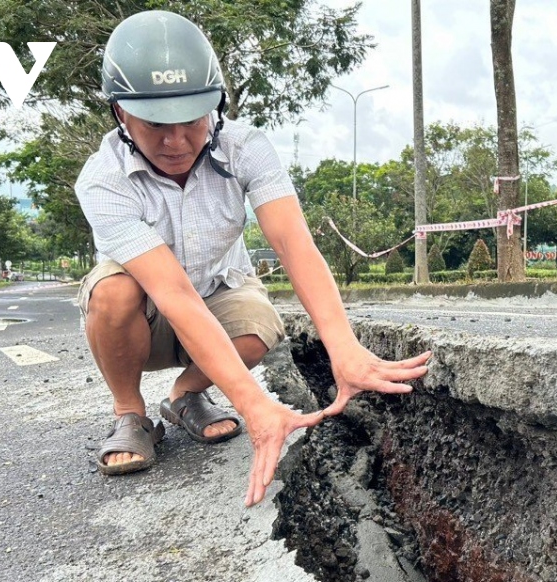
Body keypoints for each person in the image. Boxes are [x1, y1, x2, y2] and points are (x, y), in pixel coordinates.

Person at [75, 10, 431, 507]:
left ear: (215, 106)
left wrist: (343, 348)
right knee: (114, 291)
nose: (175, 142)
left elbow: (293, 245)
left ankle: (185, 396)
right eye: (156, 124)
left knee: (259, 325)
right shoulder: (102, 180)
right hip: (148, 314)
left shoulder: (246, 147)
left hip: (219, 286)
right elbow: (173, 293)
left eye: (192, 121)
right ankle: (130, 413)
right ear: (120, 113)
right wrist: (254, 405)